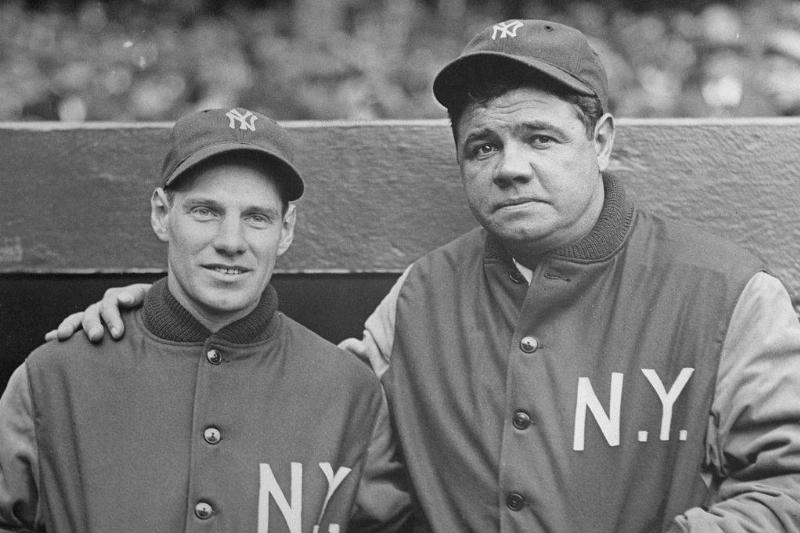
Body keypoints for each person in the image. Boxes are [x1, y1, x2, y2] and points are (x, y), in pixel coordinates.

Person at [47, 20, 800, 532]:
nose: (510, 166)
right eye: (482, 146)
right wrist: (162, 326)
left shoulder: (725, 290)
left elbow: (789, 484)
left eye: (540, 137)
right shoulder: (422, 295)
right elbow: (300, 407)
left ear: (600, 140)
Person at [0, 107, 410, 532]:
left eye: (256, 217)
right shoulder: (54, 377)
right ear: (162, 214)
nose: (231, 241)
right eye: (205, 211)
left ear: (285, 229)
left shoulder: (351, 394)